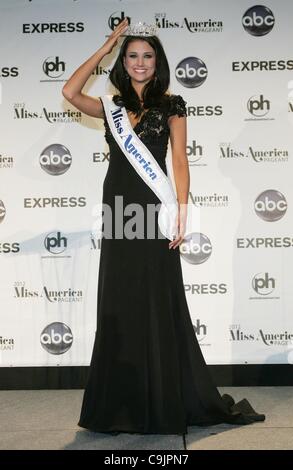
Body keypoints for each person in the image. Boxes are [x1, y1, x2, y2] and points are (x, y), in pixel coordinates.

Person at [62, 18, 265, 435]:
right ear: (125, 60)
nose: (140, 63)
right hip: (118, 209)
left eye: (147, 56)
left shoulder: (172, 105)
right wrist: (105, 48)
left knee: (157, 298)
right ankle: (121, 405)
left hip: (155, 211)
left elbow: (180, 161)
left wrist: (182, 209)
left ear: (158, 62)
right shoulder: (111, 106)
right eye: (132, 55)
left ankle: (162, 399)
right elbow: (68, 92)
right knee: (119, 301)